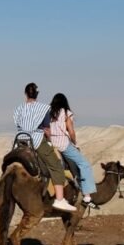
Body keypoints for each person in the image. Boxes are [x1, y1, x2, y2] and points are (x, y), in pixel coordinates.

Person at [13, 83, 75, 213]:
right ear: (37, 94)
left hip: (20, 140)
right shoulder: (44, 108)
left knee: (10, 161)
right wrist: (51, 140)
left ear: (25, 94)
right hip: (36, 140)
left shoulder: (19, 108)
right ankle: (59, 199)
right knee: (56, 166)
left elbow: (18, 124)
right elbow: (46, 129)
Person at [48, 93, 97, 208]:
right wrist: (75, 143)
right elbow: (71, 131)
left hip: (51, 144)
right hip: (63, 145)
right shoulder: (66, 113)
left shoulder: (49, 114)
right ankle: (87, 197)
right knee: (84, 164)